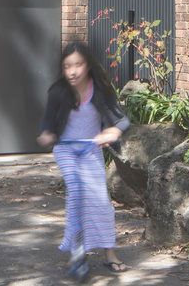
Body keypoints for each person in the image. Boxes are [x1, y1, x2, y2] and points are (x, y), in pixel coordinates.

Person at [38, 41, 130, 280]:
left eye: (78, 65)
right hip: (66, 150)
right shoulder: (57, 92)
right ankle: (77, 252)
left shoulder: (100, 90)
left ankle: (110, 253)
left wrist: (114, 132)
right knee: (77, 192)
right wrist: (47, 134)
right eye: (67, 66)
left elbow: (122, 120)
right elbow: (47, 122)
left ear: (88, 65)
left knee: (100, 201)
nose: (73, 71)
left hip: (90, 149)